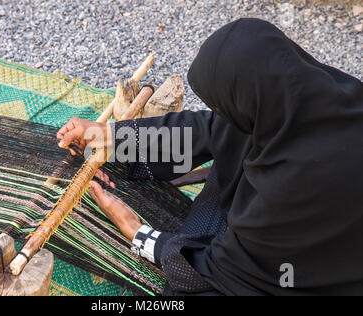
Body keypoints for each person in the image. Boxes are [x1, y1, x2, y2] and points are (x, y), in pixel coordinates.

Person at [57, 18, 363, 295]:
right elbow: (210, 130)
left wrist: (139, 233)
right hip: (291, 224)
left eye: (221, 107)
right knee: (233, 148)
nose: (219, 115)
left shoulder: (298, 184)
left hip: (304, 270)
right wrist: (109, 135)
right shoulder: (301, 96)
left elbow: (228, 271)